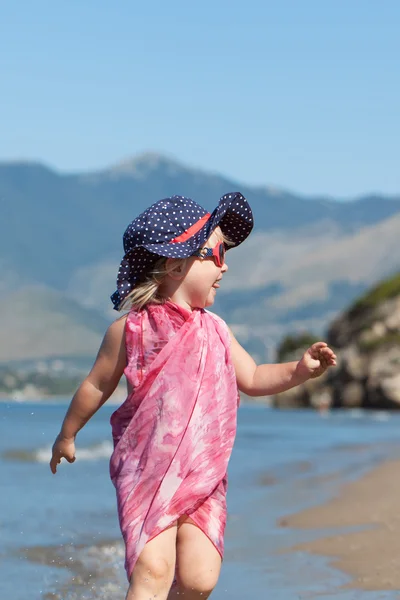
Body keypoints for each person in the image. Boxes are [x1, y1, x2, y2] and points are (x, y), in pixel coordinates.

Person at [50, 192, 336, 600]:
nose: (226, 265)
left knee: (201, 578)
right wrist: (67, 434)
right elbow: (97, 384)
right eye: (217, 252)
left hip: (204, 475)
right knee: (153, 570)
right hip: (148, 473)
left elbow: (252, 376)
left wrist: (299, 369)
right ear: (175, 263)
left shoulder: (216, 329)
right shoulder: (131, 330)